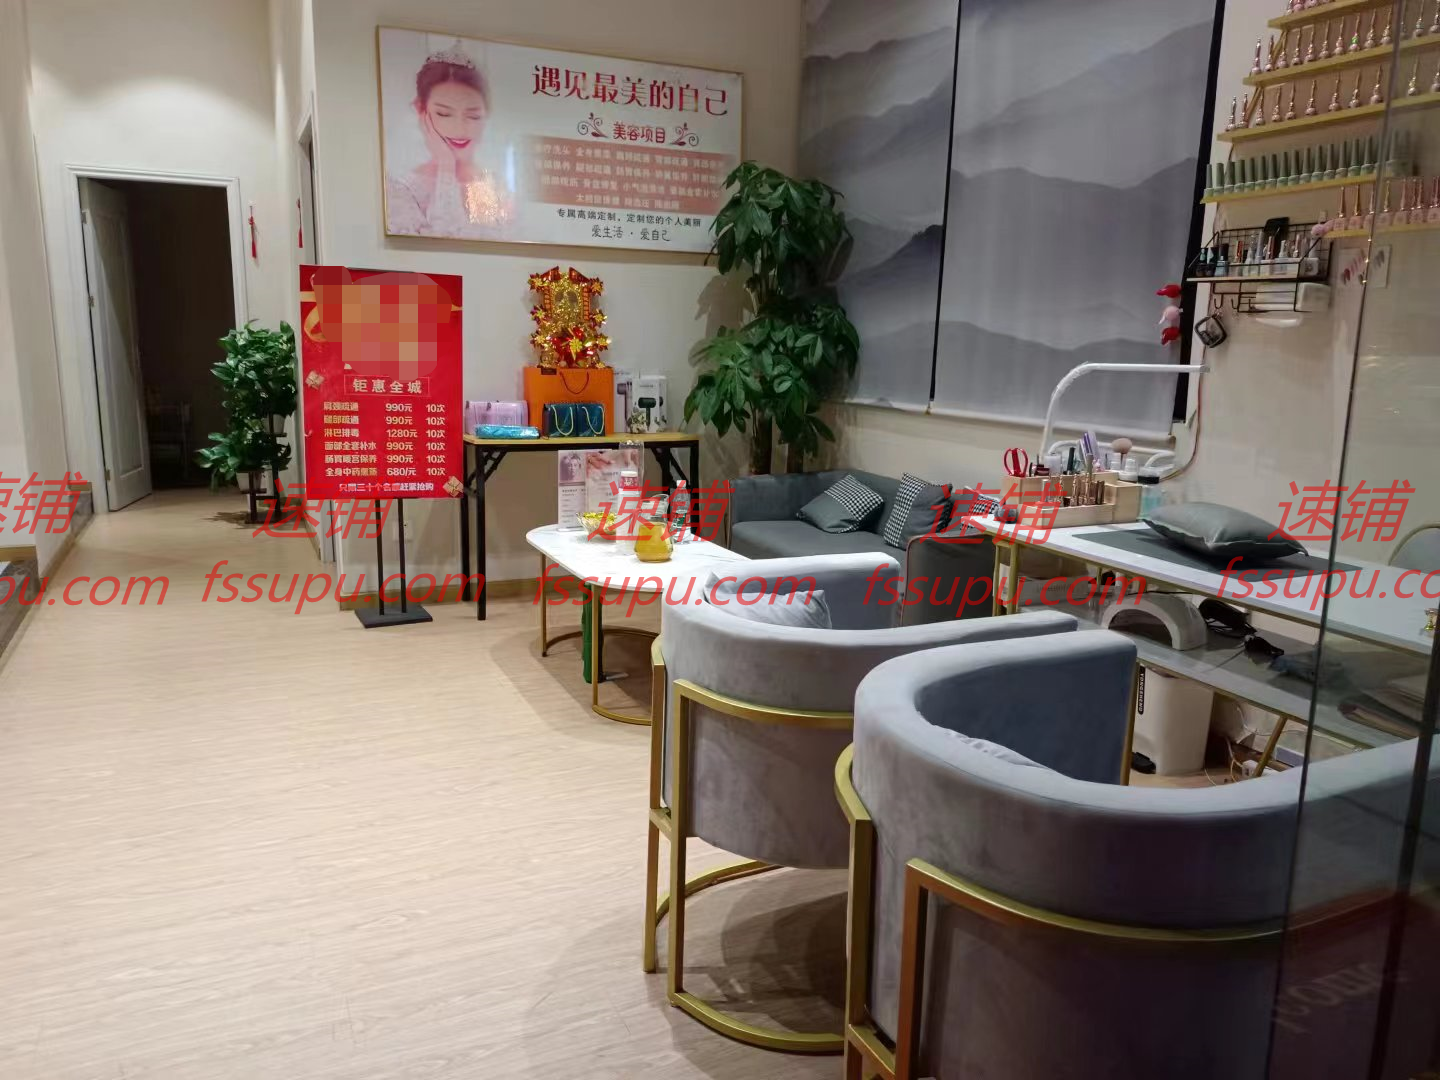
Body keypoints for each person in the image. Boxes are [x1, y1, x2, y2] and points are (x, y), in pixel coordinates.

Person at [385, 43, 513, 239]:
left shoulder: (497, 187)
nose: (459, 129)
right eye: (444, 114)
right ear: (421, 110)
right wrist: (446, 167)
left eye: (473, 116)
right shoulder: (402, 189)